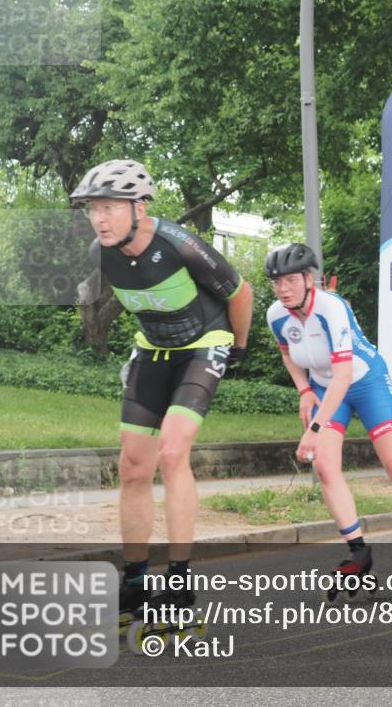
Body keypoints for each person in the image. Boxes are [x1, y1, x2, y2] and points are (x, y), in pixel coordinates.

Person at [71, 159, 254, 623]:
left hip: (204, 346)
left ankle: (178, 580)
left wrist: (237, 348)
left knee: (172, 454)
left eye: (109, 207)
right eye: (93, 209)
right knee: (132, 466)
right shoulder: (102, 252)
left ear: (139, 206)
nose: (99, 218)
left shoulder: (181, 244)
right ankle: (134, 580)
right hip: (152, 350)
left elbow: (240, 293)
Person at [265, 243, 392, 600]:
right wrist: (303, 391)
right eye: (277, 282)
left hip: (364, 381)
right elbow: (288, 354)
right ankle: (358, 551)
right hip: (324, 387)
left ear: (309, 279)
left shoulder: (332, 308)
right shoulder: (276, 315)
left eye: (291, 280)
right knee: (326, 468)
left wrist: (313, 431)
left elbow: (343, 377)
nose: (283, 289)